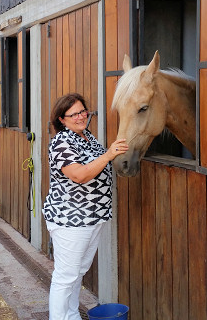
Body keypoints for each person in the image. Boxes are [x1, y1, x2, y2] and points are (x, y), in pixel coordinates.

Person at [42, 93, 128, 320]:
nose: (80, 117)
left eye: (83, 111)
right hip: (71, 219)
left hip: (93, 217)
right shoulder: (61, 142)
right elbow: (79, 175)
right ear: (62, 119)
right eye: (74, 114)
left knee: (77, 273)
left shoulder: (87, 136)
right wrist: (109, 154)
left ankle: (71, 316)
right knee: (66, 276)